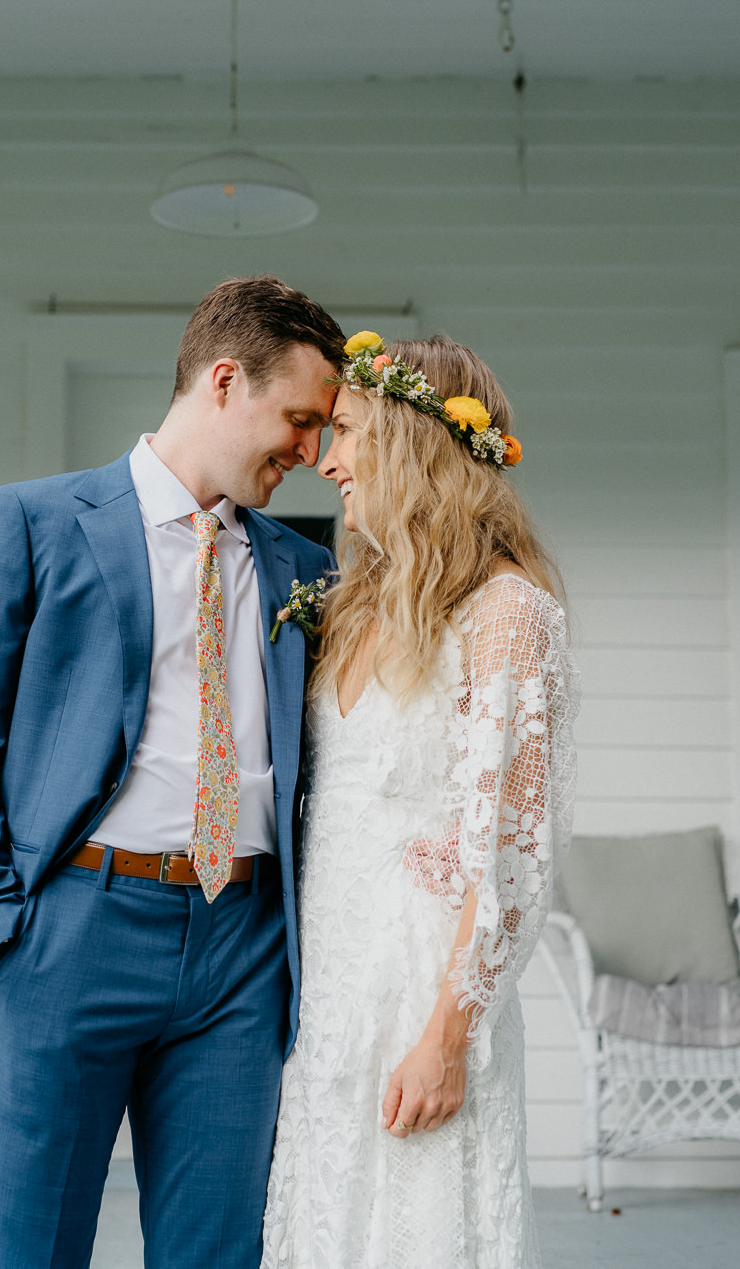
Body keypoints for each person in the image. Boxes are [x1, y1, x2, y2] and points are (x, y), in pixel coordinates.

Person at [0, 276, 344, 1269]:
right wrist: (3, 935)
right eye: (300, 420)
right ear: (225, 381)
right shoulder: (31, 520)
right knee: (31, 1246)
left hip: (242, 947)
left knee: (218, 1250)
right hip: (70, 934)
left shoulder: (302, 569)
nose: (312, 453)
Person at [261, 333, 578, 1268]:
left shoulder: (508, 613)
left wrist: (447, 1035)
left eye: (347, 431)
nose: (326, 459)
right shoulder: (356, 601)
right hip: (330, 991)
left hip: (422, 998)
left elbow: (516, 856)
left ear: (408, 437)